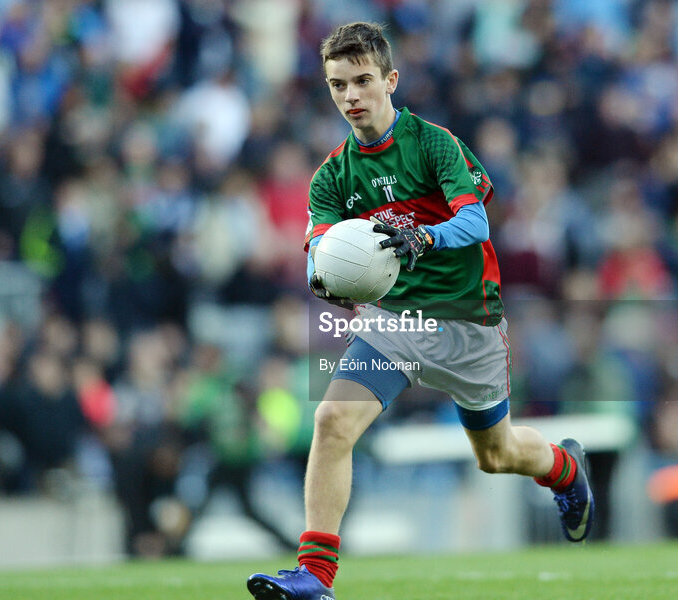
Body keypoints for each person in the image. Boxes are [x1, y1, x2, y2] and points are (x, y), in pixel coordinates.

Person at [247, 23, 594, 600]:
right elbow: (322, 253)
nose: (351, 96)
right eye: (338, 86)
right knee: (332, 423)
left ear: (390, 80)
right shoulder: (331, 177)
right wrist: (326, 282)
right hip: (396, 325)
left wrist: (425, 239)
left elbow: (477, 221)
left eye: (362, 81)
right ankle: (315, 575)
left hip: (470, 322)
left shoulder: (434, 144)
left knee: (497, 454)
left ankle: (564, 469)